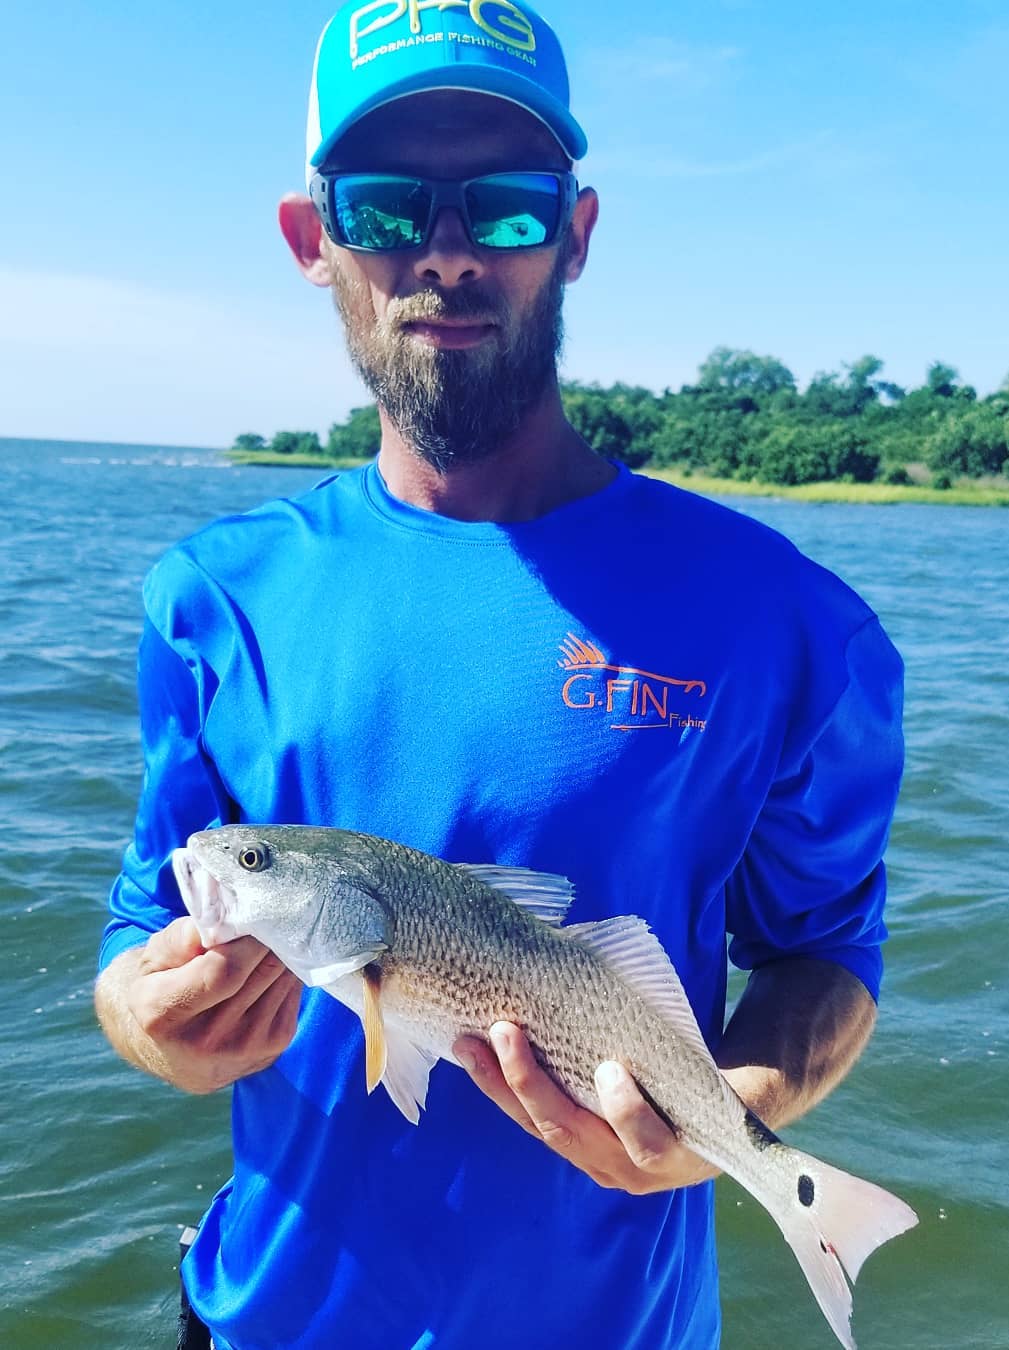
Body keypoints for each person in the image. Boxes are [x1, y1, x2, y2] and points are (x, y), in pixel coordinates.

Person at [94, 4, 905, 1348]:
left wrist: (738, 1101)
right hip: (263, 1323)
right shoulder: (210, 599)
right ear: (314, 239)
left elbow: (825, 951)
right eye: (387, 205)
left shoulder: (791, 623)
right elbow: (141, 930)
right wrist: (149, 1017)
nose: (447, 251)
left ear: (575, 234)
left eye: (508, 209)